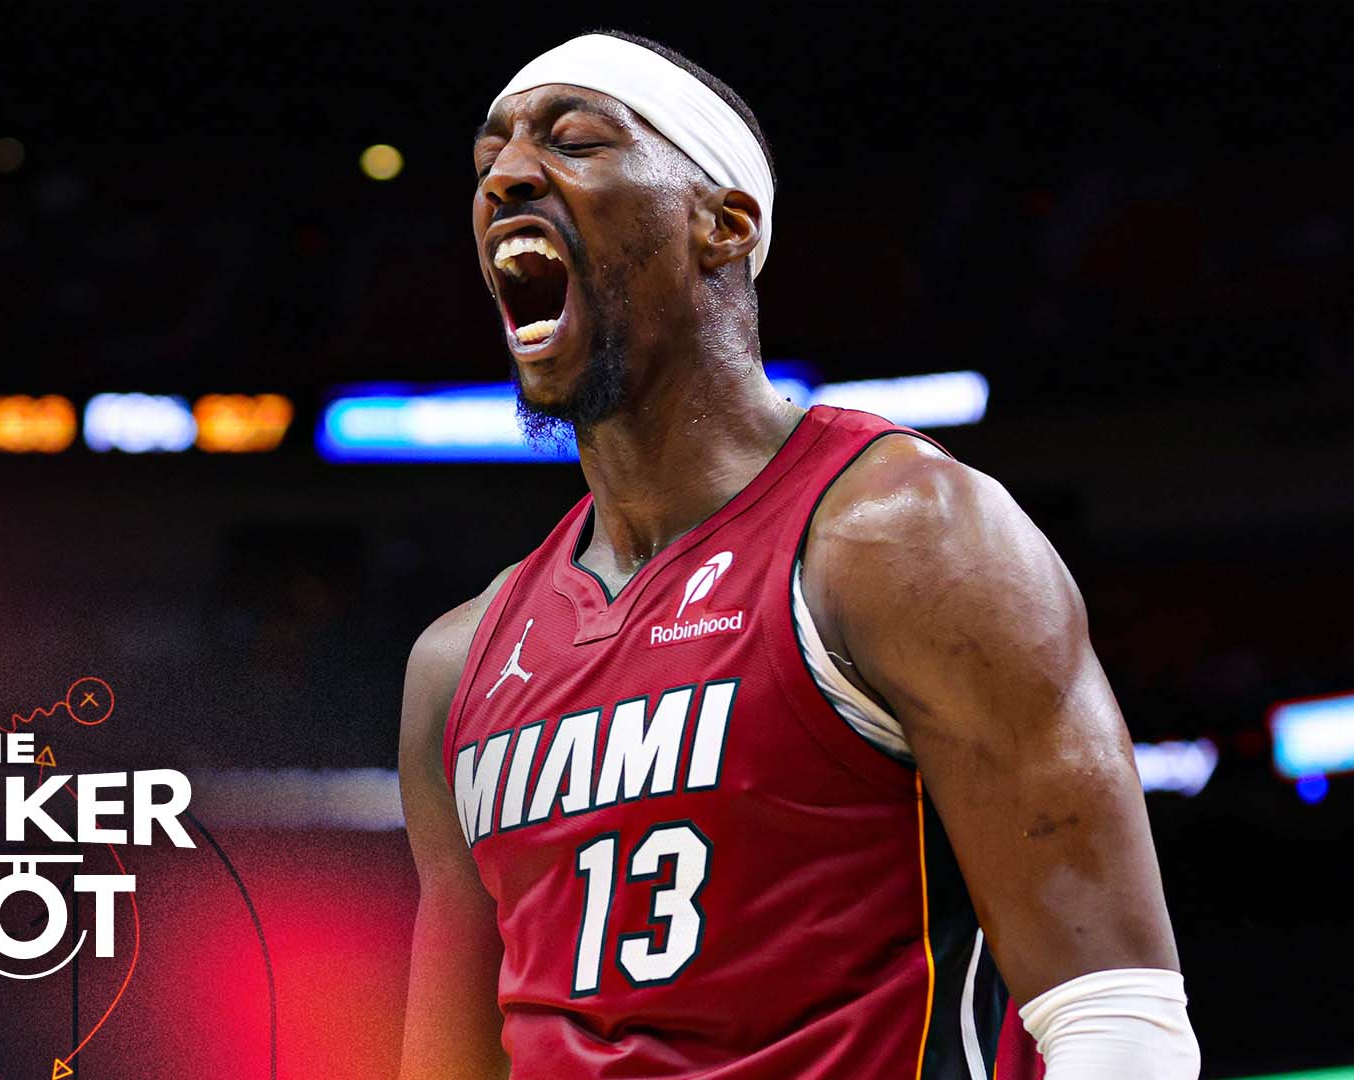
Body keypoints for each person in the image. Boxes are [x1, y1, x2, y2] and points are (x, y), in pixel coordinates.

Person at [397, 30, 1199, 1080]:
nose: (505, 175)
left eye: (574, 140)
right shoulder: (456, 666)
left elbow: (1118, 1023)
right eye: (489, 155)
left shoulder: (903, 538)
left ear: (722, 226)